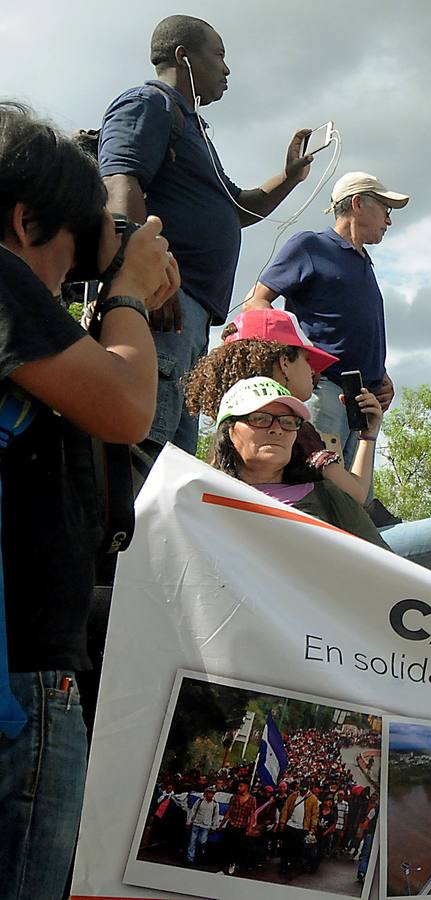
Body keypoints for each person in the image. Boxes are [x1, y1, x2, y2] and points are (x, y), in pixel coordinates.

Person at [0, 101, 178, 900]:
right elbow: (124, 405)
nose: (60, 289)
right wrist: (127, 292)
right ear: (23, 218)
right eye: (64, 256)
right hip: (24, 676)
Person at [98, 15, 313, 456]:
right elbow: (120, 183)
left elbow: (238, 210)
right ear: (184, 58)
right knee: (142, 449)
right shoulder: (148, 104)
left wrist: (289, 177)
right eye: (218, 56)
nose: (227, 70)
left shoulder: (191, 128)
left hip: (189, 316)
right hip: (163, 303)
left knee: (171, 457)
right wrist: (145, 281)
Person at [191, 338, 431, 585]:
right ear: (229, 432)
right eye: (259, 419)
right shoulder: (202, 498)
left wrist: (368, 437)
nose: (276, 429)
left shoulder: (325, 496)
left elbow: (376, 561)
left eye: (289, 423)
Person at [243, 172, 409, 481]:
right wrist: (295, 362)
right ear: (358, 203)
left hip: (364, 402)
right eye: (385, 209)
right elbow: (256, 302)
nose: (389, 220)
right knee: (320, 489)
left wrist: (380, 374)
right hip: (326, 392)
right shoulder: (312, 246)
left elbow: (352, 328)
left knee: (352, 504)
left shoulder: (363, 262)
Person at [278, 781, 318, 875]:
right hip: (290, 825)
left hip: (302, 828)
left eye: (304, 790)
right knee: (286, 847)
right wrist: (282, 822)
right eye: (300, 789)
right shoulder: (293, 796)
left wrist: (312, 828)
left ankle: (293, 867)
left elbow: (315, 815)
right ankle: (283, 866)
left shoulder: (313, 799)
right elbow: (286, 808)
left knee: (297, 849)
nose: (302, 791)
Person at [186, 787, 221, 864]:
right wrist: (188, 822)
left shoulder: (215, 804)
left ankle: (199, 856)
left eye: (211, 793)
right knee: (192, 841)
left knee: (202, 842)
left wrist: (214, 827)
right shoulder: (199, 801)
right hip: (196, 823)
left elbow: (216, 816)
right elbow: (193, 811)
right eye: (208, 793)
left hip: (206, 826)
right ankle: (190, 858)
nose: (210, 794)